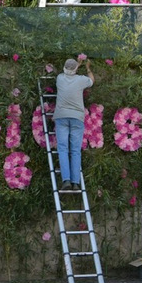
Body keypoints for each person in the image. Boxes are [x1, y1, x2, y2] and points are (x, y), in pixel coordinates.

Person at [54, 58, 95, 191]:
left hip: (61, 117)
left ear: (64, 68)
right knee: (75, 151)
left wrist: (77, 64)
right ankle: (76, 182)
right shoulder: (81, 80)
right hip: (77, 117)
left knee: (63, 149)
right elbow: (92, 81)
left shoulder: (59, 78)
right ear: (76, 69)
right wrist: (87, 67)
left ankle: (66, 180)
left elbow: (70, 71)